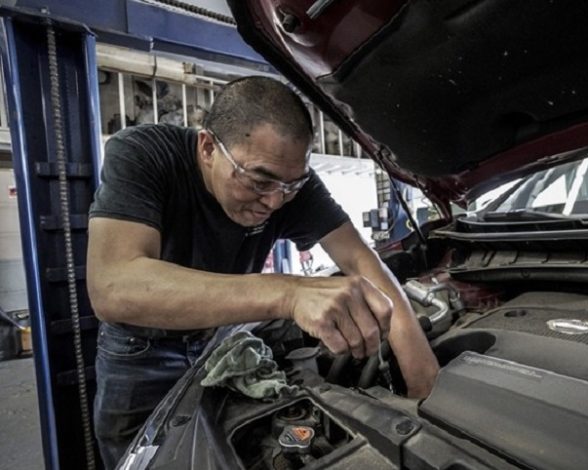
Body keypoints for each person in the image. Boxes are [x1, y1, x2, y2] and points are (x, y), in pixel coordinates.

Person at [86, 76, 439, 468]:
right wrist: (288, 293)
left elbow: (360, 260)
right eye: (258, 182)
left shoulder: (288, 185)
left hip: (221, 342)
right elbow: (113, 286)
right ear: (207, 147)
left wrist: (424, 386)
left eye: (291, 185)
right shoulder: (144, 154)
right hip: (141, 353)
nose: (274, 201)